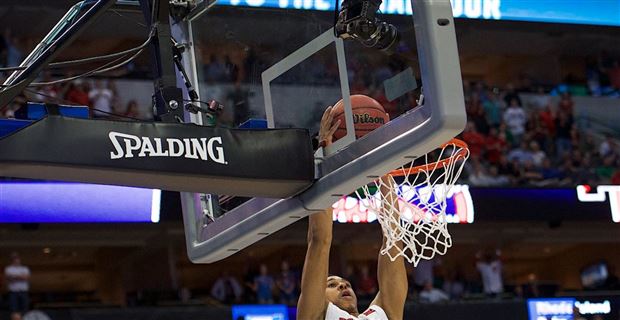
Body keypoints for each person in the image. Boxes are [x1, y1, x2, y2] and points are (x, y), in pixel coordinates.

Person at [297, 106, 408, 320]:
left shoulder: (381, 314)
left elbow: (394, 241)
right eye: (332, 284)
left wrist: (382, 161)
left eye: (343, 284)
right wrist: (324, 154)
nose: (342, 285)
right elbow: (320, 239)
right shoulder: (316, 314)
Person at [4, 252, 30, 320]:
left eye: (17, 259)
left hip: (23, 291)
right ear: (12, 260)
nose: (16, 260)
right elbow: (9, 278)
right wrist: (20, 276)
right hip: (13, 292)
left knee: (24, 308)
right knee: (14, 309)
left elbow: (26, 278)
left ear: (19, 260)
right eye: (14, 259)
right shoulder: (8, 268)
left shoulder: (24, 268)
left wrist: (14, 276)